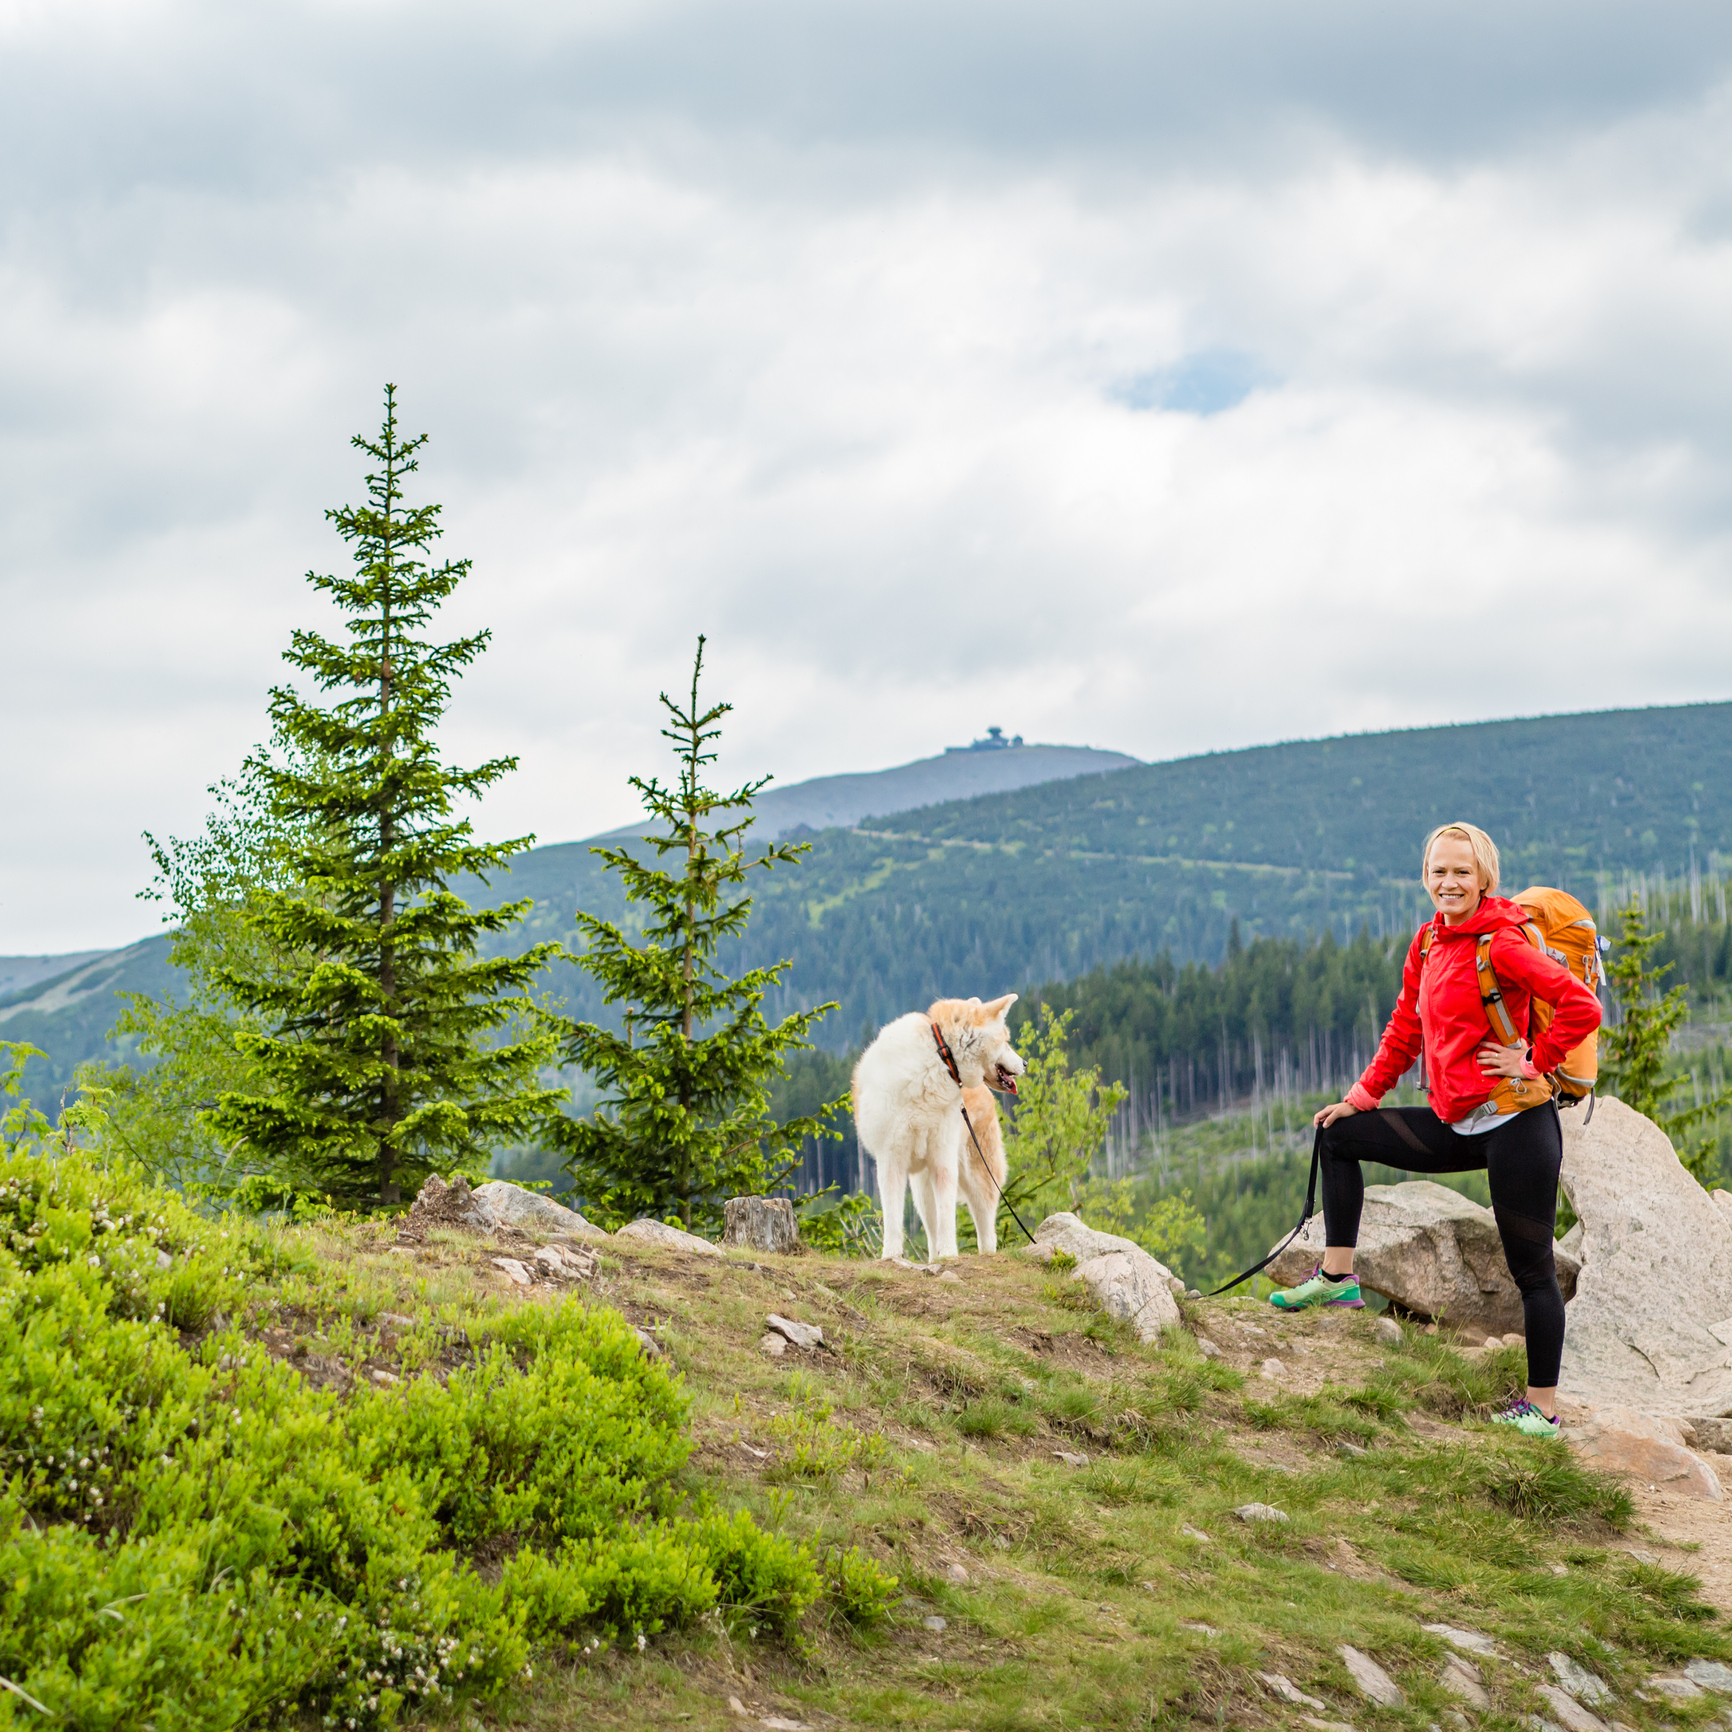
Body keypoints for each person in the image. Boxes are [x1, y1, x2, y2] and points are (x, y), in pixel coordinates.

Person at [1269, 821, 1603, 1439]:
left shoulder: (1501, 944)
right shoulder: (1427, 943)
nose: (1449, 883)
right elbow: (1404, 1031)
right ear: (1425, 877)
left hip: (1516, 1125)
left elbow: (1584, 1008)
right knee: (1338, 1137)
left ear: (1484, 880)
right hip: (1457, 1123)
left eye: (1462, 872)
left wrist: (1533, 1060)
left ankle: (1542, 1410)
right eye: (1439, 872)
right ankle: (1339, 1279)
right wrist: (1360, 1097)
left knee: (1531, 1269)